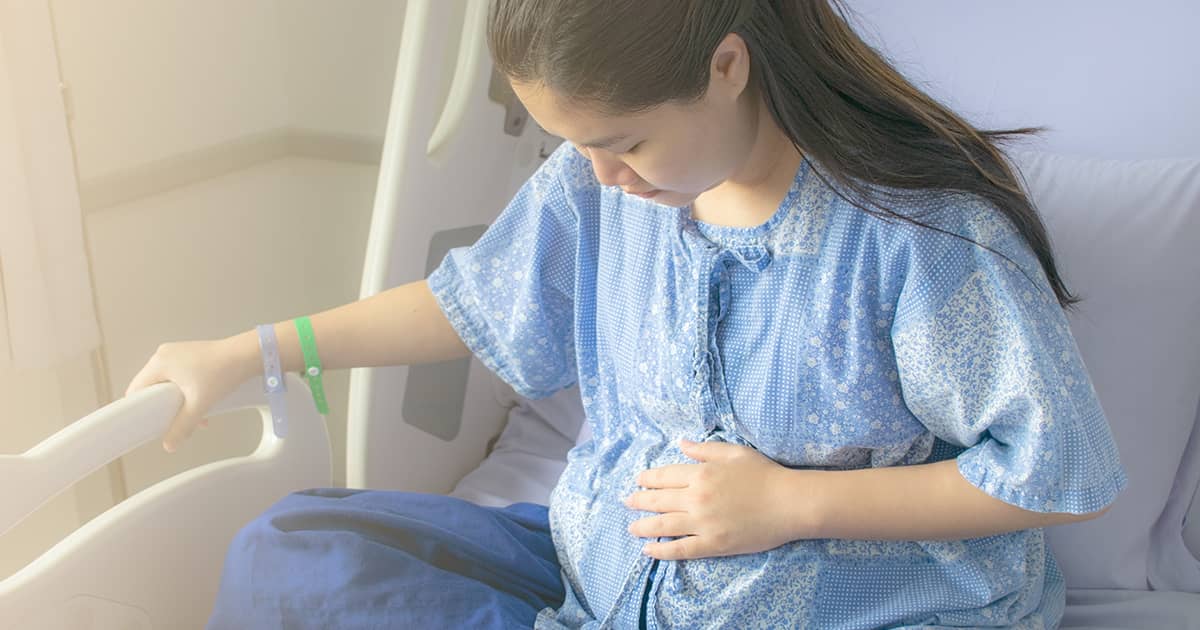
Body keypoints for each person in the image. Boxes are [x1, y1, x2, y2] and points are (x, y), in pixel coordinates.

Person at [125, 1, 1128, 628]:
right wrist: (257, 349)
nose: (601, 176)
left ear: (728, 66)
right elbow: (470, 302)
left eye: (627, 143)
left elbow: (1056, 474)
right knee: (287, 553)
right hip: (607, 565)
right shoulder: (597, 185)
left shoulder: (918, 241)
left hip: (843, 598)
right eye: (578, 146)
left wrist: (794, 503)